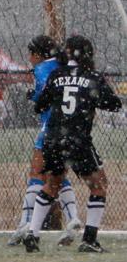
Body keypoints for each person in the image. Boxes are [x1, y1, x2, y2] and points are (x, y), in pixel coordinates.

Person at [24, 35, 122, 253]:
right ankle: (89, 239)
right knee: (99, 185)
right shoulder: (92, 76)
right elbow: (113, 105)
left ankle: (32, 233)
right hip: (77, 139)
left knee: (51, 185)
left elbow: (39, 106)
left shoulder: (56, 74)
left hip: (53, 138)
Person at [8, 35, 80, 246]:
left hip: (50, 128)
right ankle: (73, 217)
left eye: (30, 55)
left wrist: (33, 97)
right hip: (72, 129)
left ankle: (26, 223)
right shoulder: (64, 65)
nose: (29, 59)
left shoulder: (41, 70)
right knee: (56, 176)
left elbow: (43, 99)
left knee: (36, 174)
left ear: (37, 54)